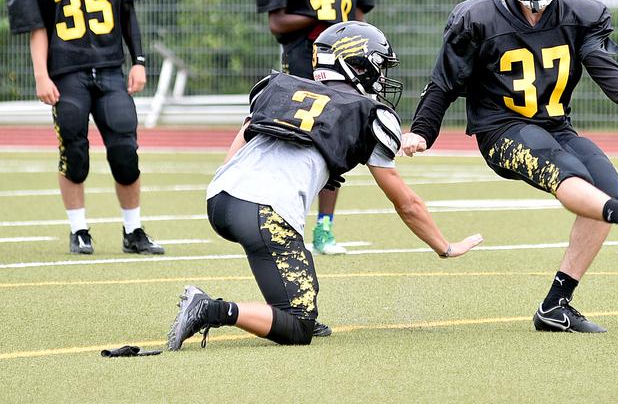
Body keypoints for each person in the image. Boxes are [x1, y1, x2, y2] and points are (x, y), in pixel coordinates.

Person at [400, 0, 618, 333]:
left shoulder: (581, 15)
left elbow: (599, 62)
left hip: (556, 124)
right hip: (501, 130)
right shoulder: (478, 19)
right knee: (564, 169)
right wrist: (421, 131)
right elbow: (444, 82)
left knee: (605, 185)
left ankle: (555, 306)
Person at [167, 21, 483, 350]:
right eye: (378, 67)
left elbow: (240, 144)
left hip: (220, 196)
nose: (383, 78)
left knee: (299, 275)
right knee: (298, 326)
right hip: (264, 212)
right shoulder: (370, 114)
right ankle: (212, 309)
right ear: (358, 65)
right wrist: (444, 247)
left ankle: (287, 301)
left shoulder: (278, 86)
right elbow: (407, 204)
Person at [5, 0, 164, 256]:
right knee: (74, 154)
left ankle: (133, 230)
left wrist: (138, 61)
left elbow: (127, 13)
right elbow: (38, 28)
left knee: (125, 151)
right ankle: (79, 230)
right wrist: (41, 75)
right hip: (67, 73)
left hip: (110, 69)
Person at [254, 0, 375, 256]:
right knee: (296, 141)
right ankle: (286, 220)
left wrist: (361, 50)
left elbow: (356, 17)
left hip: (342, 65)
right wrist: (318, 16)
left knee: (337, 143)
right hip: (303, 60)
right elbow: (277, 24)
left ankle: (324, 229)